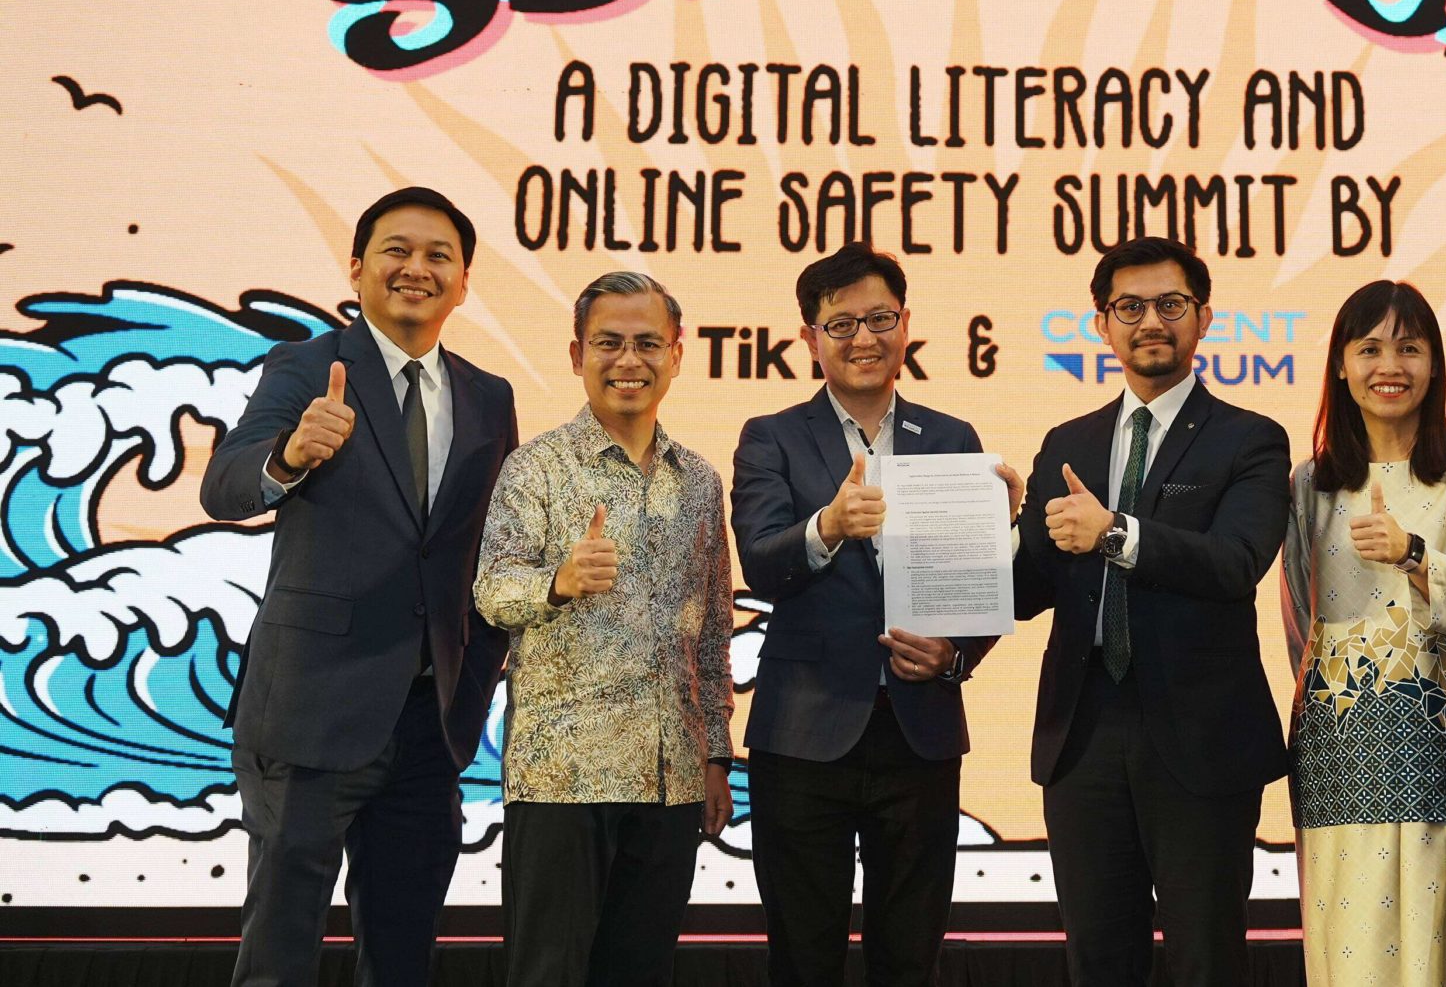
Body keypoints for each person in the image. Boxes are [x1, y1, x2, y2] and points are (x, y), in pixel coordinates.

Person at [198, 187, 520, 987]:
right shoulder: (307, 366)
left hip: (429, 725)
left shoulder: (490, 396)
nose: (417, 268)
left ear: (464, 281)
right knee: (278, 957)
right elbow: (223, 484)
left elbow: (490, 549)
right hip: (310, 713)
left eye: (439, 255)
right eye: (396, 250)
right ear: (357, 266)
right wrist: (288, 455)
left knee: (403, 957)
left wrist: (472, 685)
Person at [731, 242, 1023, 987]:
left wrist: (962, 639)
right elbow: (761, 560)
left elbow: (973, 594)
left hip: (920, 735)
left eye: (879, 319)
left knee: (911, 957)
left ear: (905, 325)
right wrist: (827, 525)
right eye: (841, 324)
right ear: (810, 339)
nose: (863, 337)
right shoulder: (771, 436)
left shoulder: (952, 438)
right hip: (803, 736)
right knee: (804, 957)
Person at [1013, 235, 1291, 987]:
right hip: (1083, 734)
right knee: (1099, 961)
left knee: (1207, 959)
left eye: (1170, 304)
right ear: (1102, 324)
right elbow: (1028, 587)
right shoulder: (1068, 442)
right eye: (1129, 307)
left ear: (1203, 318)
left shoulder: (1250, 438)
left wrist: (1115, 532)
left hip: (1200, 737)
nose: (1150, 322)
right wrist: (993, 526)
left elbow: (1235, 562)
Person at [473, 271, 733, 987]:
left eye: (647, 343)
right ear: (576, 354)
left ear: (676, 354)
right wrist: (558, 580)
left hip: (672, 780)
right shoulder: (535, 468)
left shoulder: (700, 482)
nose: (628, 360)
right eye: (608, 342)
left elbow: (713, 631)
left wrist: (716, 754)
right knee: (547, 974)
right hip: (563, 779)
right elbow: (491, 591)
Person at [1281, 280, 1446, 986]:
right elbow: (1300, 623)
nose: (1390, 366)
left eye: (1409, 348)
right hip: (1342, 748)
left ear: (1434, 363)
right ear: (1340, 364)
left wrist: (1414, 554)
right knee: (1350, 951)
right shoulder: (1309, 483)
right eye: (1370, 348)